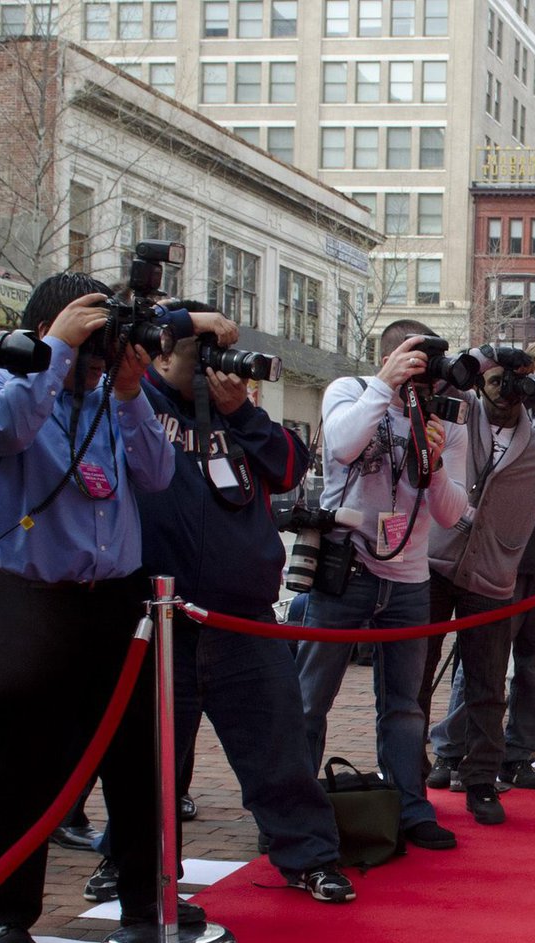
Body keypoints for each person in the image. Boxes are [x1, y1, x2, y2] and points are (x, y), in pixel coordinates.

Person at [0, 277, 221, 943]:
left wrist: (133, 392)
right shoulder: (4, 376)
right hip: (28, 598)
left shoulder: (115, 394)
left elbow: (158, 473)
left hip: (115, 599)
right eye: (93, 333)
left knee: (140, 759)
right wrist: (56, 349)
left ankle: (147, 898)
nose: (103, 351)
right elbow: (0, 431)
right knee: (23, 764)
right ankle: (5, 912)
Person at [132, 300, 354, 902]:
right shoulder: (138, 402)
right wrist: (172, 345)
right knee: (151, 761)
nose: (214, 364)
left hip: (243, 614)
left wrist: (239, 411)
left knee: (278, 748)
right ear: (164, 347)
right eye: (199, 349)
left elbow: (288, 467)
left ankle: (309, 856)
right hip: (161, 613)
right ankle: (130, 866)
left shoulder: (239, 414)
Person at [292, 319, 468, 852]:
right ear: (389, 357)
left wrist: (435, 465)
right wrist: (382, 387)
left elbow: (453, 512)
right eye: (413, 363)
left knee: (405, 706)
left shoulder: (444, 417)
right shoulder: (349, 392)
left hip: (409, 577)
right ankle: (293, 813)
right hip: (344, 568)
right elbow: (343, 448)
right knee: (309, 698)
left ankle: (408, 807)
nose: (425, 380)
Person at [419, 348, 535, 825]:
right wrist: (482, 356)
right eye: (496, 380)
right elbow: (433, 386)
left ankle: (482, 782)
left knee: (487, 684)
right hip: (435, 564)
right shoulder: (458, 417)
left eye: (516, 384)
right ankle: (408, 777)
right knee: (413, 678)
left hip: (493, 573)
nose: (504, 392)